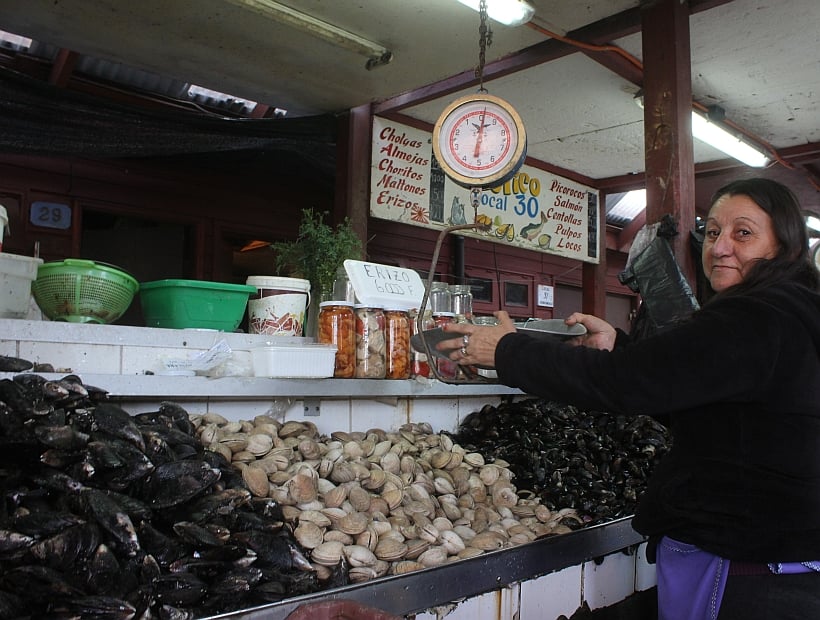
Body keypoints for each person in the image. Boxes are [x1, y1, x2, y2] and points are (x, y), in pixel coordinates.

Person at [438, 178, 820, 620]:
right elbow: (696, 393)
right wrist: (619, 347)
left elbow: (623, 386)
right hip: (788, 559)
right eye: (713, 231)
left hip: (751, 571)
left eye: (744, 233)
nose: (720, 247)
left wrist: (506, 350)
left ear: (783, 245)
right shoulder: (796, 312)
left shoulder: (754, 316)